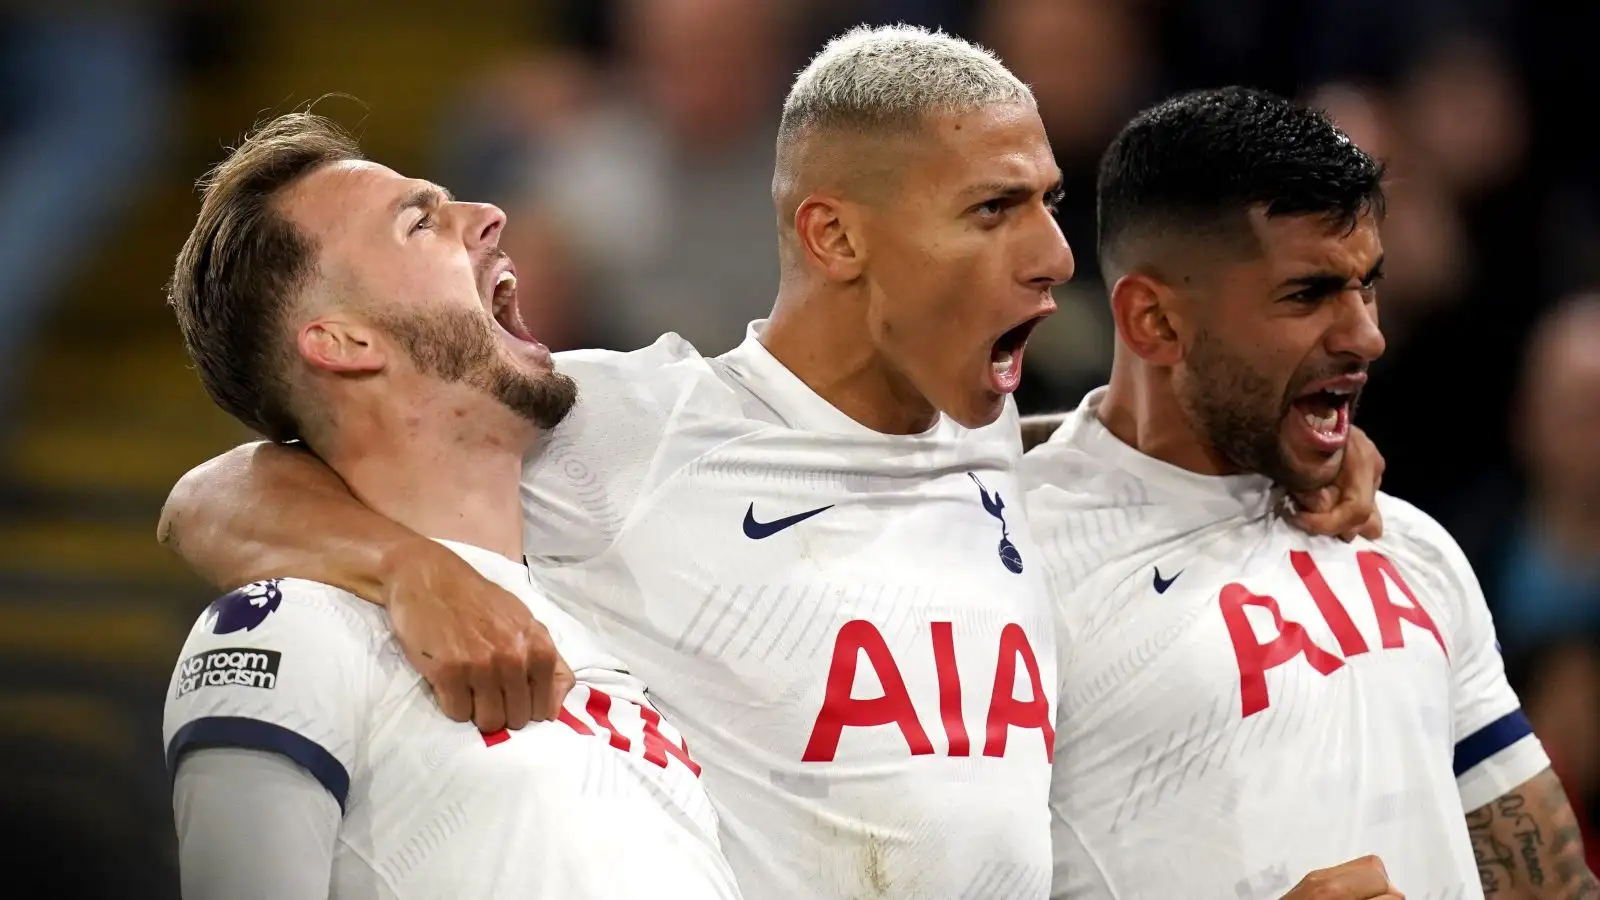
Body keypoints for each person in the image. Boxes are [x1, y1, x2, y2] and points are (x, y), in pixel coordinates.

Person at [157, 28, 1386, 899]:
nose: (1057, 256)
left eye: (1048, 201)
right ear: (835, 233)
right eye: (992, 209)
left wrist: (1305, 440)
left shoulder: (1033, 474)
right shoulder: (623, 431)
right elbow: (221, 491)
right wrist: (406, 565)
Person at [1024, 87, 1598, 899]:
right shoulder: (1007, 571)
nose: (1367, 334)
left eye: (1366, 285)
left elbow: (1554, 885)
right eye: (1308, 293)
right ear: (1154, 322)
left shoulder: (1403, 543)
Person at [160, 113, 742, 899]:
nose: (487, 215)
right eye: (420, 222)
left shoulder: (602, 630)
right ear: (343, 341)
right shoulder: (298, 628)